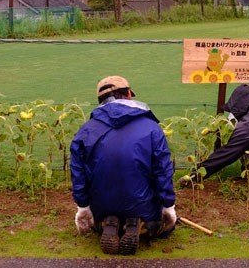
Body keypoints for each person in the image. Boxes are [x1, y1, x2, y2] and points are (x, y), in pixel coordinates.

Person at [70, 75, 176, 255]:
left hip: (101, 204)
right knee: (160, 224)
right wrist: (168, 206)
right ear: (128, 94)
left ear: (100, 101)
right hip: (142, 204)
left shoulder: (86, 130)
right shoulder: (151, 127)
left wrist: (82, 207)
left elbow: (78, 172)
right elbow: (162, 170)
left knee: (104, 210)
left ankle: (107, 222)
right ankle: (137, 223)